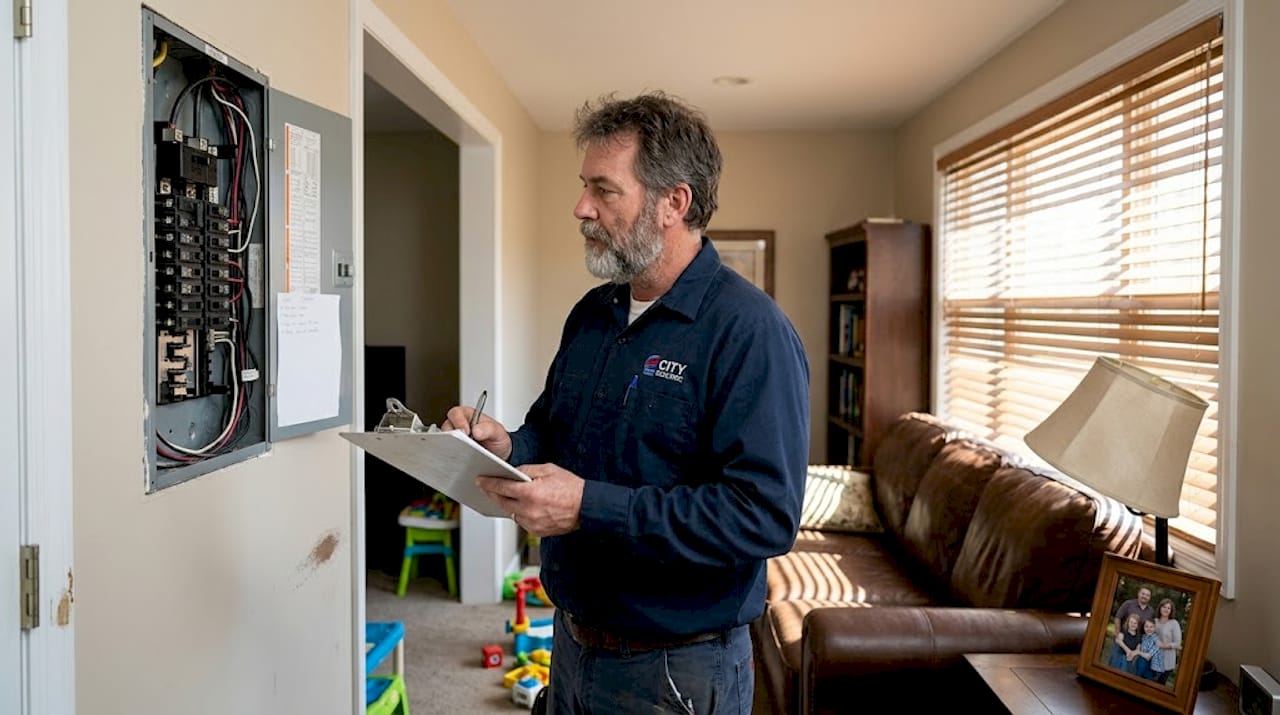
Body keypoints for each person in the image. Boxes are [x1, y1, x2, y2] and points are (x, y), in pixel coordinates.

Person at [442, 91, 810, 714]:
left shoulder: (750, 331)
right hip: (571, 641)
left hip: (677, 668)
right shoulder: (592, 313)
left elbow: (764, 516)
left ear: (674, 203)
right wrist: (507, 446)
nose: (581, 207)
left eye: (604, 189)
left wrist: (589, 506)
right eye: (584, 186)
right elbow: (551, 431)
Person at [1153, 597, 1183, 686]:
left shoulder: (1174, 623)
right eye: (1164, 607)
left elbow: (1178, 643)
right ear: (1160, 608)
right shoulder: (1155, 621)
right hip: (1153, 657)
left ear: (1171, 611)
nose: (1166, 609)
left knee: (1159, 685)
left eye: (1168, 608)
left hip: (1167, 660)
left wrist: (1164, 645)